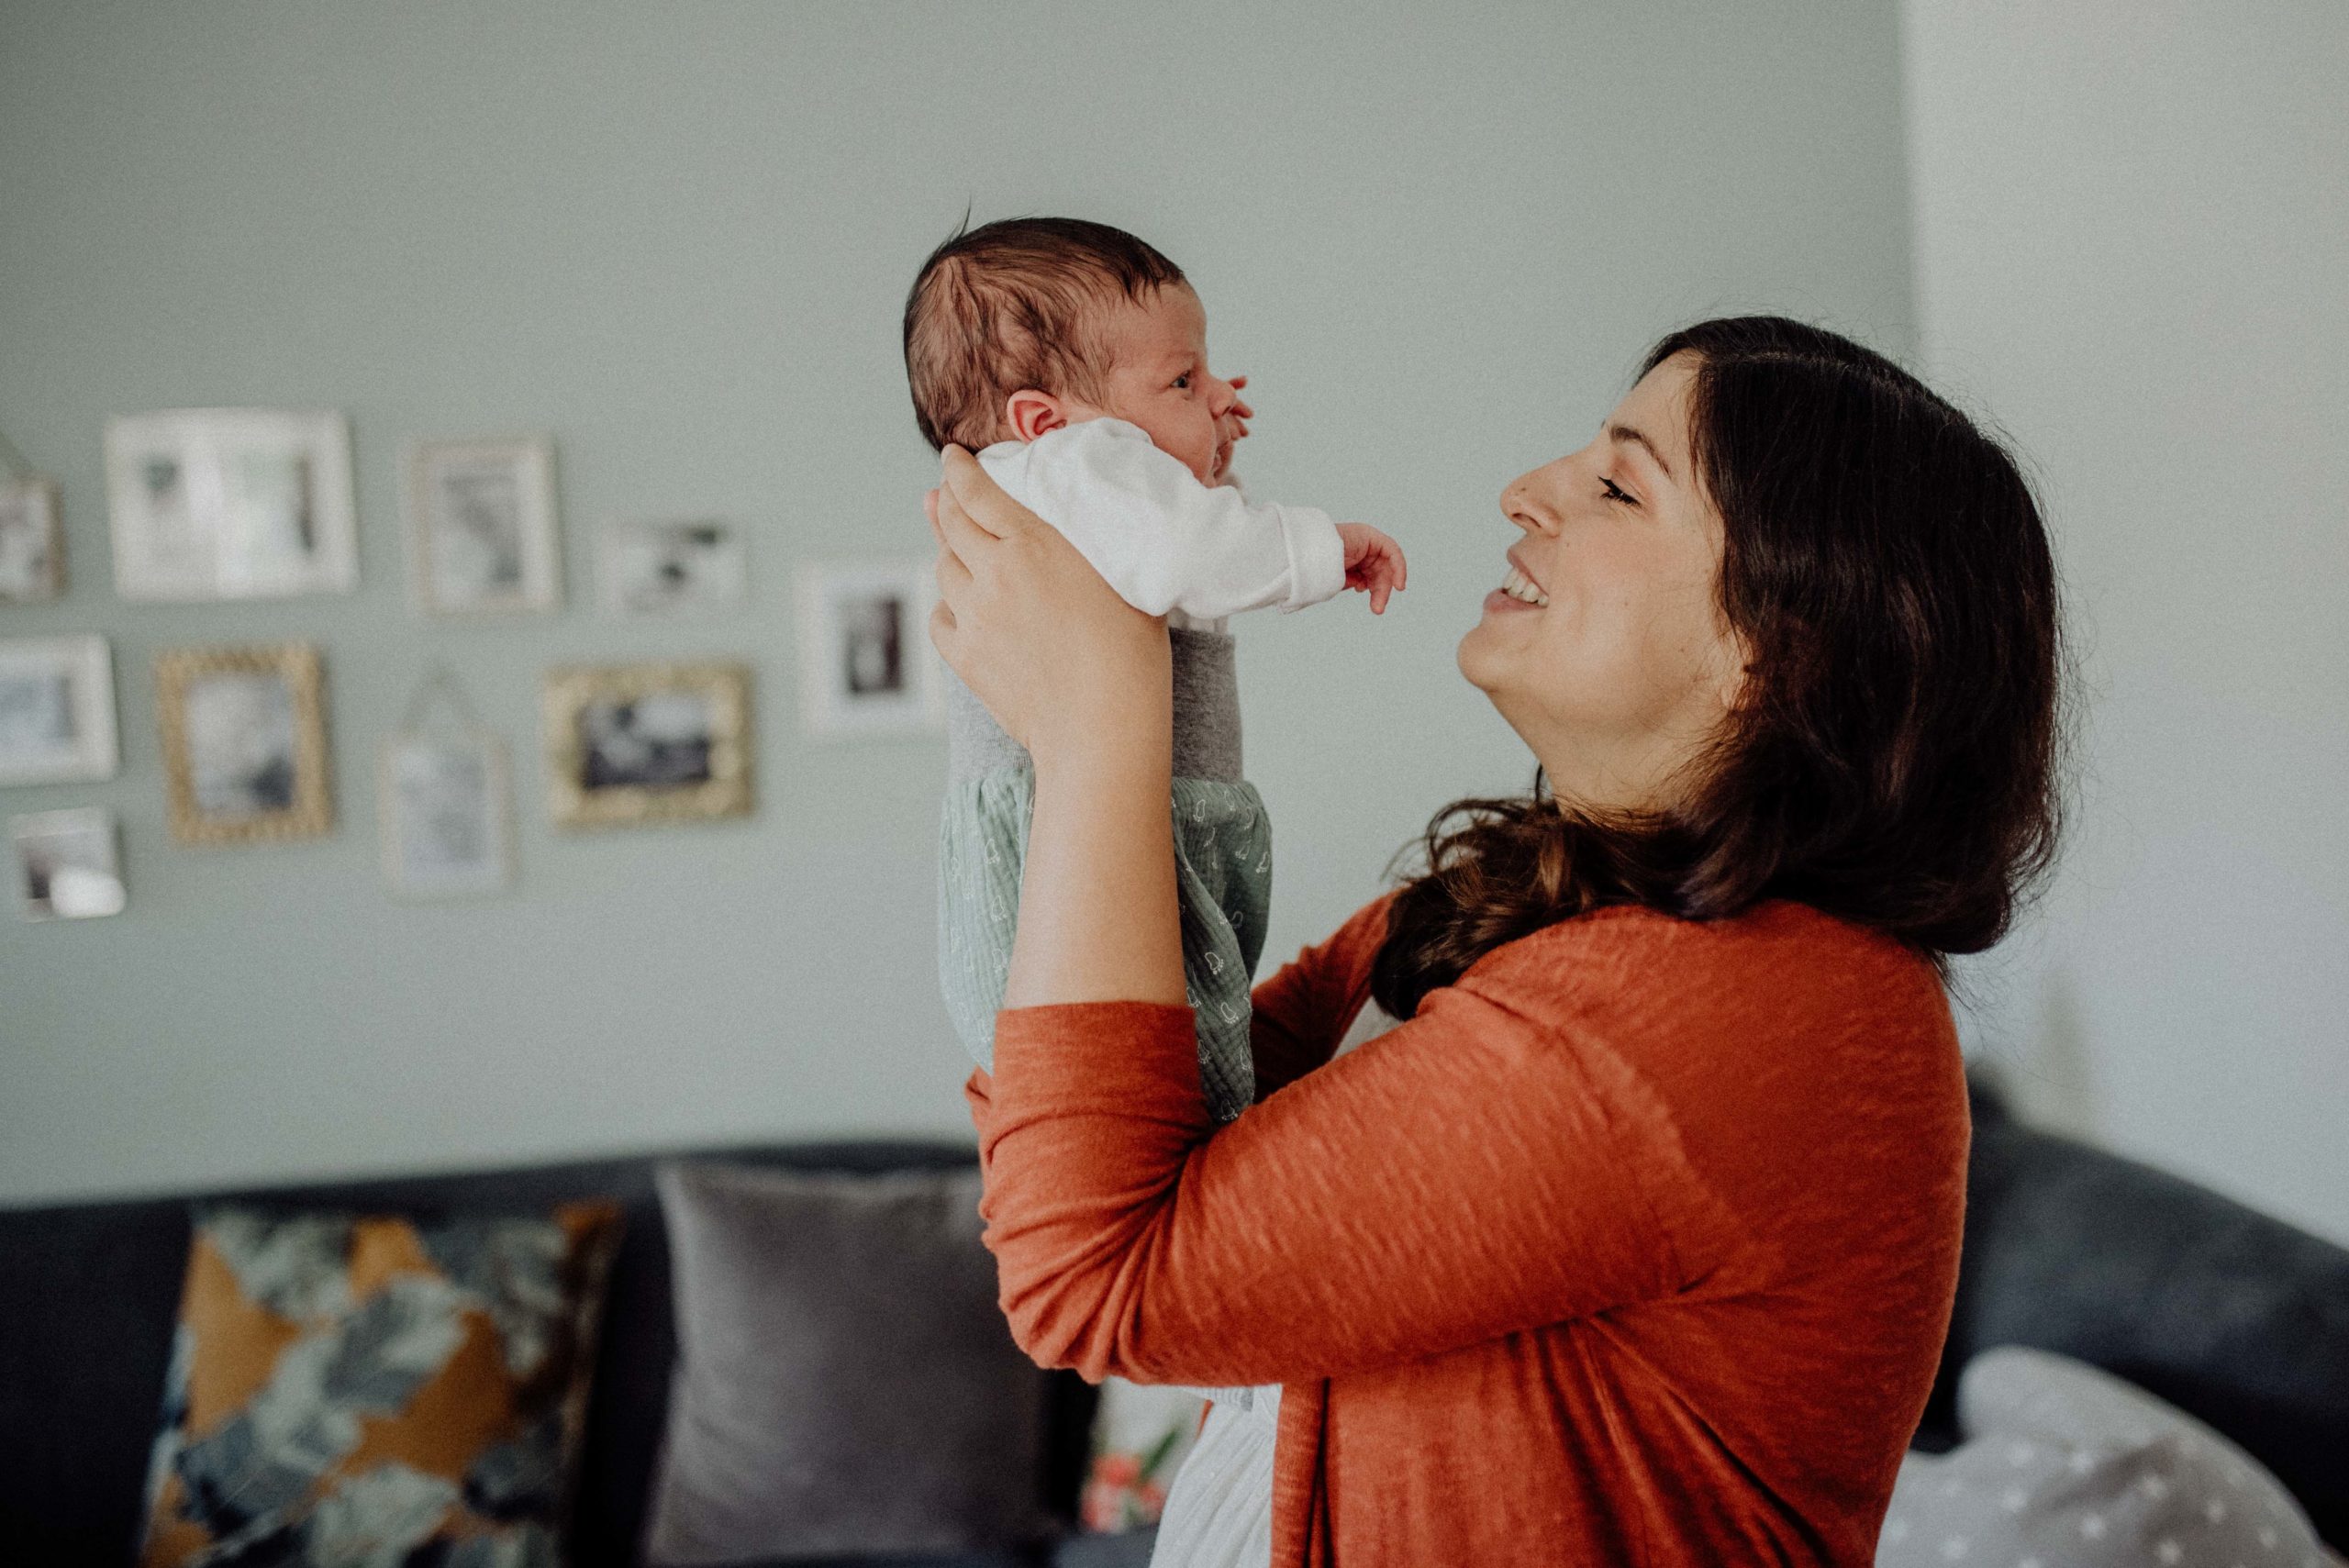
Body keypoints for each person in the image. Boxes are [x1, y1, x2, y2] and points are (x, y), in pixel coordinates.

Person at [926, 316, 2063, 1566]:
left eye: (1620, 484)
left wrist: (1098, 727)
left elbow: (1095, 1268)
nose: (1524, 493)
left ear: (1782, 651)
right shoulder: (1513, 904)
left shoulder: (1724, 1009)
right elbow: (1120, 1116)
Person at [905, 217, 1406, 1128]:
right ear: (1043, 419)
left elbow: (1172, 543)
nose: (1219, 394)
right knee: (1177, 1095)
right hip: (1103, 850)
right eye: (1183, 377)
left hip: (1097, 841)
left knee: (1179, 1080)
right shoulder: (1067, 462)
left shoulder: (1063, 487)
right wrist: (1322, 549)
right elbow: (1187, 551)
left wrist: (1200, 448)